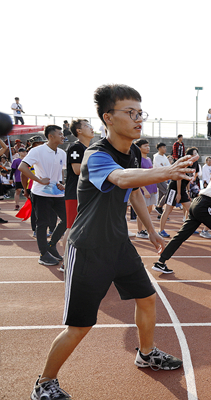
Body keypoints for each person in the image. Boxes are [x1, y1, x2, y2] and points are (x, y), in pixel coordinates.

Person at [30, 84, 196, 400]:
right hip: (89, 248)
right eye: (130, 113)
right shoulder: (96, 155)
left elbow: (131, 191)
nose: (138, 119)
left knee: (147, 298)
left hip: (119, 244)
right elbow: (121, 179)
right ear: (108, 117)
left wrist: (150, 230)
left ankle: (146, 353)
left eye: (140, 113)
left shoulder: (131, 151)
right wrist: (166, 173)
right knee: (80, 326)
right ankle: (44, 383)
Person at [18, 126, 67, 266]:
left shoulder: (62, 153)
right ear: (51, 136)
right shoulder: (37, 150)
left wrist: (61, 183)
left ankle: (51, 246)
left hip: (57, 193)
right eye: (60, 134)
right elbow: (22, 167)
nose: (63, 136)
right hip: (40, 193)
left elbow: (61, 171)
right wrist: (39, 180)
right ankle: (43, 254)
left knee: (68, 219)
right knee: (42, 223)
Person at [64, 119, 95, 249]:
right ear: (79, 130)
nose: (91, 128)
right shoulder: (76, 147)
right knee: (72, 227)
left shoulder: (89, 148)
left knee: (85, 227)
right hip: (75, 193)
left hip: (85, 193)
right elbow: (77, 170)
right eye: (87, 126)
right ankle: (66, 261)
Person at [158, 147, 194, 238]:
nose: (197, 155)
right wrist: (178, 193)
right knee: (168, 209)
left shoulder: (194, 165)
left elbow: (188, 180)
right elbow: (178, 178)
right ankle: (161, 230)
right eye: (195, 154)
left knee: (191, 210)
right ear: (189, 155)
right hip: (174, 189)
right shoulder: (183, 163)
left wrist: (188, 191)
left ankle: (188, 229)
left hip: (182, 189)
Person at [134, 139, 158, 238]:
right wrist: (144, 190)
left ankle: (144, 229)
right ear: (139, 148)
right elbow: (137, 176)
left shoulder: (148, 159)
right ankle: (140, 231)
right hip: (144, 189)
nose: (148, 148)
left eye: (148, 146)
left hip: (152, 188)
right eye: (145, 146)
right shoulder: (137, 160)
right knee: (141, 211)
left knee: (148, 210)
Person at [153, 142, 170, 216]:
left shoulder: (164, 157)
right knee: (168, 192)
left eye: (165, 147)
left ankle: (159, 214)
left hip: (164, 177)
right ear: (159, 148)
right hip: (158, 177)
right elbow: (160, 168)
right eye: (164, 147)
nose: (165, 149)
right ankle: (159, 207)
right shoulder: (156, 157)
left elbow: (168, 166)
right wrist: (165, 168)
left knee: (161, 195)